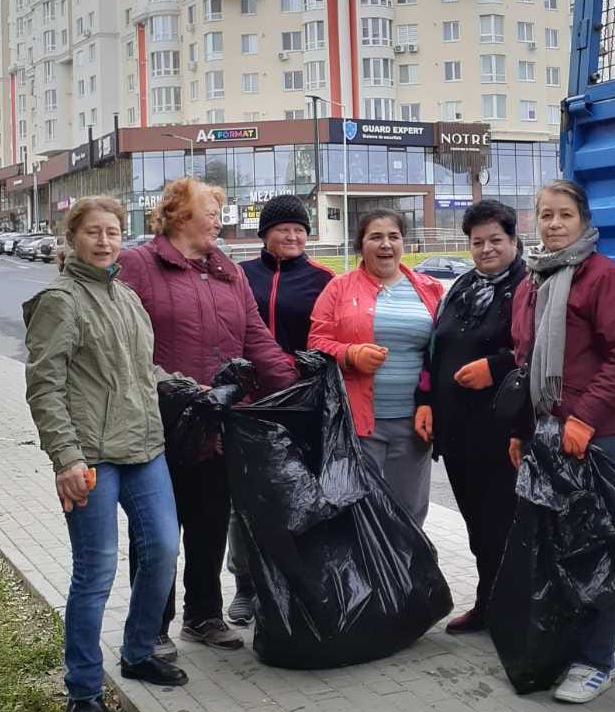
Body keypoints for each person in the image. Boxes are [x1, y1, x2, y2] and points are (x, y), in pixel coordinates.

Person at [23, 195, 186, 712]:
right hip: (90, 456)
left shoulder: (126, 296)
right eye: (93, 231)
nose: (104, 241)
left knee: (162, 550)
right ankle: (83, 691)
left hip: (144, 448)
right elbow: (44, 387)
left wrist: (189, 387)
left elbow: (140, 370)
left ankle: (138, 651)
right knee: (95, 572)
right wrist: (65, 457)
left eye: (112, 231)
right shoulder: (60, 301)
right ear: (72, 238)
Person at [117, 176, 297, 656]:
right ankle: (152, 625)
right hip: (159, 425)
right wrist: (170, 388)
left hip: (218, 425)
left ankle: (202, 616)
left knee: (210, 524)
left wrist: (296, 388)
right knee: (156, 532)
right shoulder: (138, 265)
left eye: (220, 211)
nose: (219, 219)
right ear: (178, 214)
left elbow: (255, 340)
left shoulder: (228, 272)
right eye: (210, 211)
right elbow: (121, 344)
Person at [510, 179, 615, 705]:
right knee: (559, 551)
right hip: (550, 436)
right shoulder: (532, 281)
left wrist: (585, 418)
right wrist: (520, 432)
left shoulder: (604, 277)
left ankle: (596, 662)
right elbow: (525, 364)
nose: (554, 224)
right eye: (545, 214)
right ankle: (569, 652)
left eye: (564, 214)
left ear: (584, 220)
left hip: (602, 436)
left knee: (598, 551)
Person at [413, 200, 526, 634]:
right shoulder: (461, 287)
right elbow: (434, 349)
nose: (486, 249)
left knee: (504, 525)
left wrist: (494, 368)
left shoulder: (528, 288)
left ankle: (510, 614)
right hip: (458, 432)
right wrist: (425, 399)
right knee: (478, 527)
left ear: (513, 240)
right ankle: (487, 604)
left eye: (495, 240)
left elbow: (538, 348)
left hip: (503, 431)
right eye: (477, 242)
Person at [226, 194, 333, 624]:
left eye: (299, 229)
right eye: (282, 229)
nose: (292, 236)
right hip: (248, 403)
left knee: (300, 494)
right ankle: (245, 584)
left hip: (299, 403)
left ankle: (296, 582)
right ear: (264, 234)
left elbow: (329, 338)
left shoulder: (323, 279)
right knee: (243, 498)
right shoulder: (239, 275)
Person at [308, 208, 443, 527]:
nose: (385, 244)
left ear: (404, 243)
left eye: (393, 236)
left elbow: (441, 352)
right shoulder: (339, 288)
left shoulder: (430, 289)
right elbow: (315, 341)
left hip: (414, 424)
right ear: (360, 245)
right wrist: (350, 353)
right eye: (375, 237)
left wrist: (436, 403)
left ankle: (404, 563)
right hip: (358, 426)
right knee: (362, 517)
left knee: (408, 515)